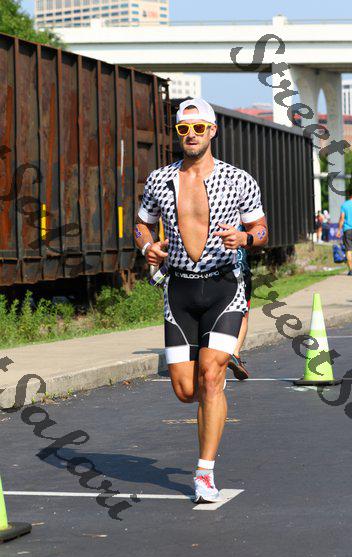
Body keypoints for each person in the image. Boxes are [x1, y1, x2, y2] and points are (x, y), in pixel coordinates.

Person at [134, 97, 268, 502]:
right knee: (185, 390)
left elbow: (262, 230)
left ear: (212, 131)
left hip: (225, 286)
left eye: (198, 128)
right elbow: (142, 224)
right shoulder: (159, 179)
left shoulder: (238, 179)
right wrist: (148, 247)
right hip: (180, 290)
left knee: (211, 377)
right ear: (177, 133)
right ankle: (221, 370)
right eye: (183, 129)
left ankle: (204, 473)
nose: (190, 135)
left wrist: (246, 238)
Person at [227, 222, 252, 380]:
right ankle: (234, 353)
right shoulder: (244, 219)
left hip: (213, 272)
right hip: (240, 271)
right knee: (243, 314)